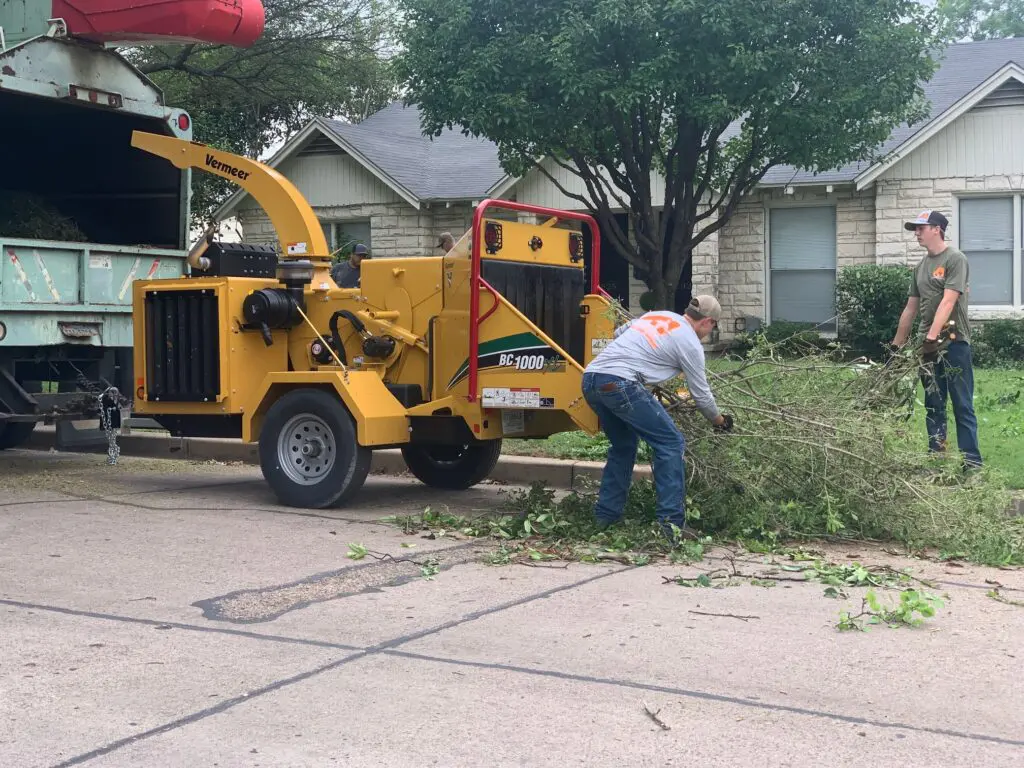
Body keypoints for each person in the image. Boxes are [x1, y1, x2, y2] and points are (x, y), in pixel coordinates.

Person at [581, 295, 733, 541]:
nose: (709, 332)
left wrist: (646, 364)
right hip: (621, 384)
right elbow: (701, 394)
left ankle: (604, 519)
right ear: (707, 322)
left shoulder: (657, 315)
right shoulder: (690, 343)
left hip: (592, 378)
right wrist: (720, 421)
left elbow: (620, 333)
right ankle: (671, 527)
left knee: (623, 446)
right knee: (671, 443)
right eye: (712, 326)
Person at [891, 210, 982, 468]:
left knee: (962, 404)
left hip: (953, 344)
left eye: (921, 227)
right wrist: (895, 347)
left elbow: (949, 300)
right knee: (933, 404)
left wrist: (933, 338)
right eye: (915, 229)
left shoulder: (955, 259)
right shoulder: (921, 267)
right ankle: (937, 460)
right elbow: (910, 310)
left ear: (937, 229)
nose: (917, 233)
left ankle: (972, 463)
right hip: (927, 348)